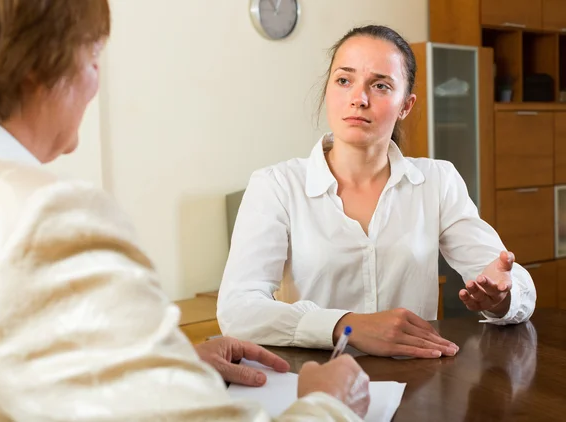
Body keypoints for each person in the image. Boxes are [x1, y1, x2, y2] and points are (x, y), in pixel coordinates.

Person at [0, 1, 370, 420]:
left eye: (380, 85)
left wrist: (164, 372)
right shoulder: (46, 215)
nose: (95, 83)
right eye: (91, 59)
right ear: (38, 67)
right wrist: (330, 405)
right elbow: (240, 307)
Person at [217, 25, 537, 359]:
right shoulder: (277, 185)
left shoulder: (437, 181)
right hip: (317, 388)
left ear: (406, 106)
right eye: (344, 80)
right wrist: (347, 325)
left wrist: (503, 298)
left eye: (381, 85)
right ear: (327, 90)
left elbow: (514, 284)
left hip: (418, 387)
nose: (359, 98)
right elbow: (238, 309)